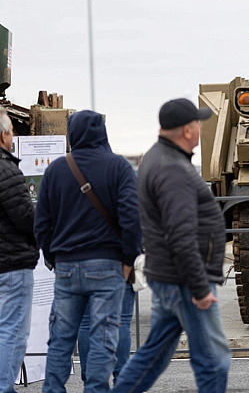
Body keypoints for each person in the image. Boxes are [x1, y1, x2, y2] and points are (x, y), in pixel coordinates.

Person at [112, 98, 230, 393]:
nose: (201, 130)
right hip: (184, 281)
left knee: (153, 355)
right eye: (199, 125)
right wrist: (200, 289)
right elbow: (180, 235)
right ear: (188, 130)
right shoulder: (173, 168)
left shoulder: (155, 157)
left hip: (169, 276)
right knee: (214, 360)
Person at [34, 110, 142, 393]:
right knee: (104, 337)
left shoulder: (56, 169)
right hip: (108, 266)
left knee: (61, 338)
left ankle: (53, 389)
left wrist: (53, 257)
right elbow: (132, 220)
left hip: (67, 266)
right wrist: (128, 262)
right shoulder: (118, 167)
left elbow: (41, 223)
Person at [0, 106, 37, 393]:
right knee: (13, 331)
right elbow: (26, 217)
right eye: (12, 131)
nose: (13, 137)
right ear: (3, 136)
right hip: (11, 264)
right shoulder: (6, 168)